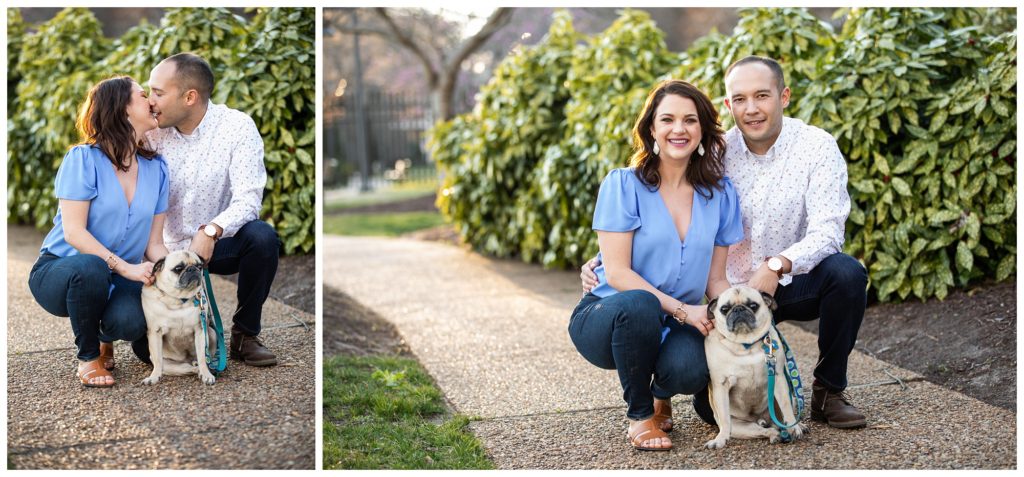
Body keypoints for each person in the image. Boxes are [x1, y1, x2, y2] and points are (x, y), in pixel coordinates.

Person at [582, 55, 869, 429]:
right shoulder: (714, 151)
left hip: (786, 281)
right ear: (728, 104)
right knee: (708, 410)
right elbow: (660, 206)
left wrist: (776, 265)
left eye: (762, 96)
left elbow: (828, 231)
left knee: (846, 273)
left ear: (784, 96)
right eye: (740, 99)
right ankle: (658, 395)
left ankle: (829, 391)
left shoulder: (816, 147)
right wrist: (605, 259)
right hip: (728, 296)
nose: (751, 109)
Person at [569, 80, 744, 451]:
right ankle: (640, 416)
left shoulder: (722, 194)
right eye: (667, 120)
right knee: (639, 303)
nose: (679, 129)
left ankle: (662, 394)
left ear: (703, 129)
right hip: (610, 315)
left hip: (674, 319)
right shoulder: (623, 184)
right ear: (651, 129)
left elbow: (715, 279)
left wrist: (739, 316)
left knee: (691, 370)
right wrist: (684, 311)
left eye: (690, 120)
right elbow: (617, 274)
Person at [28, 76, 169, 387]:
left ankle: (105, 335)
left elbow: (154, 244)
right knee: (91, 267)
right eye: (144, 96)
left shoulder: (157, 169)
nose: (152, 102)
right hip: (62, 270)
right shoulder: (83, 159)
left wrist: (180, 273)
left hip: (120, 276)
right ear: (122, 110)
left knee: (130, 322)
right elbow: (74, 234)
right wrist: (127, 269)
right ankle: (88, 358)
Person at [144, 52, 281, 366]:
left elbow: (248, 200)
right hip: (162, 252)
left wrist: (211, 230)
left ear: (190, 97)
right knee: (146, 352)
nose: (151, 101)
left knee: (262, 238)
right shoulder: (151, 133)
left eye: (158, 93)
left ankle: (245, 335)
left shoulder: (237, 128)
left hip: (215, 246)